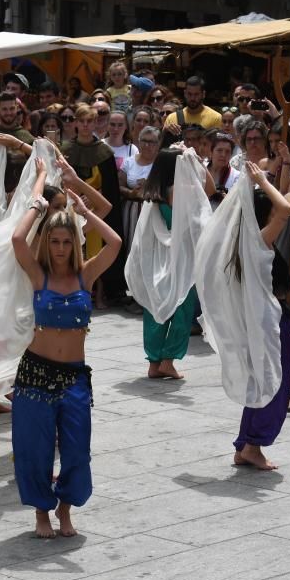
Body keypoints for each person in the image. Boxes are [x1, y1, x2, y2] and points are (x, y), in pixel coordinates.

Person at [11, 158, 122, 538]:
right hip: (35, 375)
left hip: (74, 378)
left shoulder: (84, 275)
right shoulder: (37, 274)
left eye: (66, 242)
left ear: (74, 243)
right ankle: (41, 512)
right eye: (54, 242)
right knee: (35, 449)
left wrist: (86, 210)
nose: (59, 248)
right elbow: (15, 239)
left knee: (76, 450)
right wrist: (39, 194)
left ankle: (65, 508)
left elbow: (115, 242)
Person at [229, 163, 290, 470]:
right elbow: (285, 209)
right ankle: (254, 444)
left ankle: (245, 444)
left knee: (260, 382)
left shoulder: (244, 242)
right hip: (269, 323)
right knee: (274, 383)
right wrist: (260, 181)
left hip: (259, 321)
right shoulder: (256, 241)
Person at [139, 150, 199, 380]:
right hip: (180, 257)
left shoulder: (152, 192)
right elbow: (209, 190)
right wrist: (192, 160)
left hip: (157, 257)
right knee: (182, 306)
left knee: (156, 307)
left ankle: (154, 363)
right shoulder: (180, 191)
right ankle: (168, 361)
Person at [60, 104, 126, 308]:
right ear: (76, 123)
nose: (86, 125)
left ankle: (99, 295)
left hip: (97, 210)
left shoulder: (104, 152)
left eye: (90, 121)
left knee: (97, 252)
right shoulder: (66, 150)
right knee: (74, 249)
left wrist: (96, 196)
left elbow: (112, 188)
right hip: (70, 206)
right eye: (82, 121)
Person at [118, 125, 159, 267]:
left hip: (153, 209)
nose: (147, 145)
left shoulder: (161, 163)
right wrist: (130, 193)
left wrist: (150, 187)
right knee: (130, 242)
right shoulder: (129, 161)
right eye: (144, 141)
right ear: (139, 141)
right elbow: (119, 185)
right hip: (131, 210)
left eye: (152, 142)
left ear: (158, 144)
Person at [162, 76, 222, 145]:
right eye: (189, 94)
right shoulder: (172, 118)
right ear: (185, 93)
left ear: (203, 94)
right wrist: (165, 131)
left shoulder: (216, 118)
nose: (192, 98)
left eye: (196, 94)